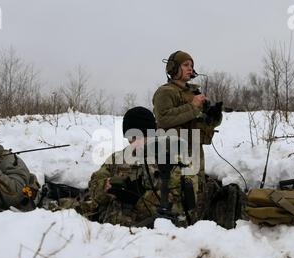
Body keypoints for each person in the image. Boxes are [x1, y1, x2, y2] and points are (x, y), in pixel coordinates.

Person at [85, 106, 199, 227]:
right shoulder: (117, 158)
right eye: (128, 137)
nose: (131, 141)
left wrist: (139, 197)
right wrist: (106, 186)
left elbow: (186, 205)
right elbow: (94, 187)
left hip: (158, 235)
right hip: (114, 234)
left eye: (135, 137)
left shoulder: (175, 159)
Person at [152, 50, 222, 198]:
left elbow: (200, 121)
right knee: (180, 192)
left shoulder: (194, 92)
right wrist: (193, 106)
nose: (190, 68)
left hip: (195, 148)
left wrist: (214, 116)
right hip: (175, 152)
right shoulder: (165, 92)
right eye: (185, 64)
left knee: (198, 188)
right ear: (173, 68)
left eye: (191, 65)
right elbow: (163, 118)